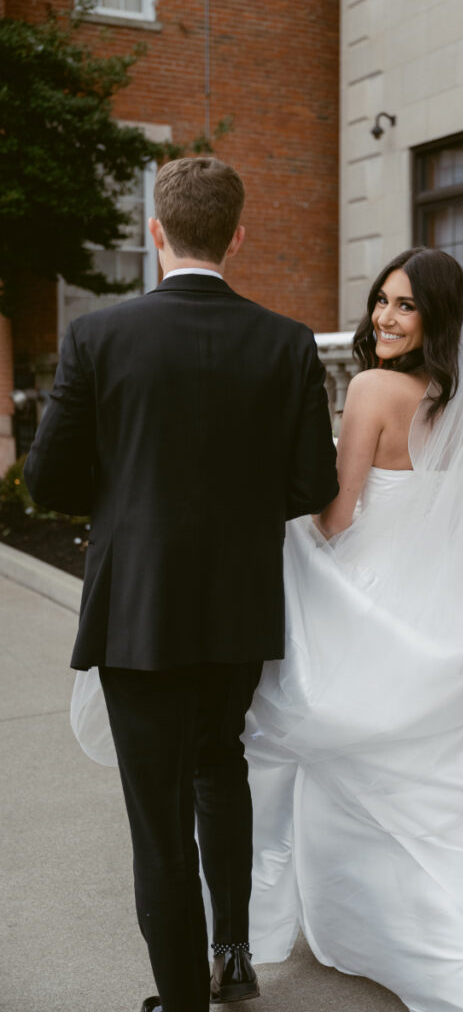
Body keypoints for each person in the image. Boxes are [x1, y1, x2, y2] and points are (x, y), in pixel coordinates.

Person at [24, 156, 339, 1012]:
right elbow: (314, 485)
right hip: (238, 606)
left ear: (154, 232)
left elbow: (45, 483)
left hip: (138, 610)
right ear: (236, 235)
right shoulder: (285, 341)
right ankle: (231, 953)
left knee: (155, 814)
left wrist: (128, 489)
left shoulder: (99, 336)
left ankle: (184, 1001)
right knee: (218, 765)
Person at [240, 248, 463, 1011]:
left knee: (335, 767)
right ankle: (421, 941)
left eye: (404, 305)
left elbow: (338, 516)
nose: (383, 316)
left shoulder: (372, 388)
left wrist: (279, 529)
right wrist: (451, 594)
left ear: (434, 316)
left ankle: (368, 935)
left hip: (368, 599)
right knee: (427, 788)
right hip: (442, 609)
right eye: (381, 300)